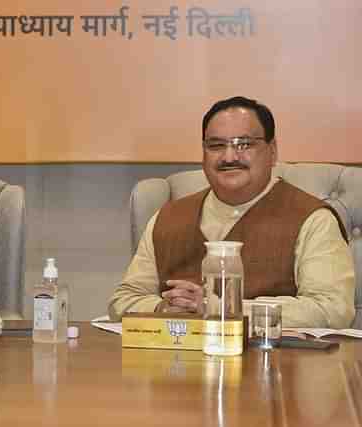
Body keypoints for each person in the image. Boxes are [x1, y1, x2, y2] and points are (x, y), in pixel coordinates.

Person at [108, 96, 355, 328]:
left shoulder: (312, 218)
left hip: (276, 367)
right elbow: (123, 301)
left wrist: (221, 308)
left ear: (272, 151)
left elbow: (332, 310)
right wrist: (164, 308)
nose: (229, 157)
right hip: (177, 366)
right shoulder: (168, 217)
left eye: (244, 144)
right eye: (216, 145)